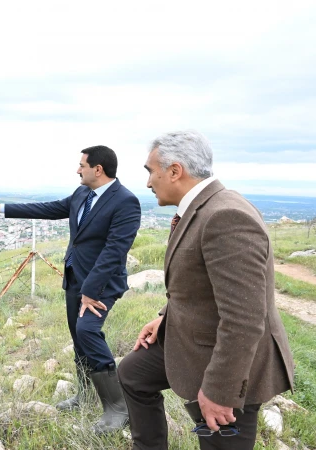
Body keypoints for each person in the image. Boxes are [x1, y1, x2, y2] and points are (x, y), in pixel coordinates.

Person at [117, 131, 294, 450]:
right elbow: (198, 284)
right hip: (194, 338)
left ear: (174, 171)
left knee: (219, 443)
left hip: (232, 361)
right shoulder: (202, 208)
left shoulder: (225, 216)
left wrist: (220, 390)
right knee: (133, 373)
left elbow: (245, 318)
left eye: (150, 171)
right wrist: (164, 318)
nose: (147, 182)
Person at [0, 145, 141, 433]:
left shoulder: (126, 201)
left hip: (101, 283)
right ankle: (86, 394)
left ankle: (117, 407)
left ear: (98, 169)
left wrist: (91, 290)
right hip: (74, 277)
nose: (78, 169)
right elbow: (49, 209)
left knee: (87, 331)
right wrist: (1, 208)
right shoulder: (81, 194)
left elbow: (115, 251)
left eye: (82, 165)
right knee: (78, 339)